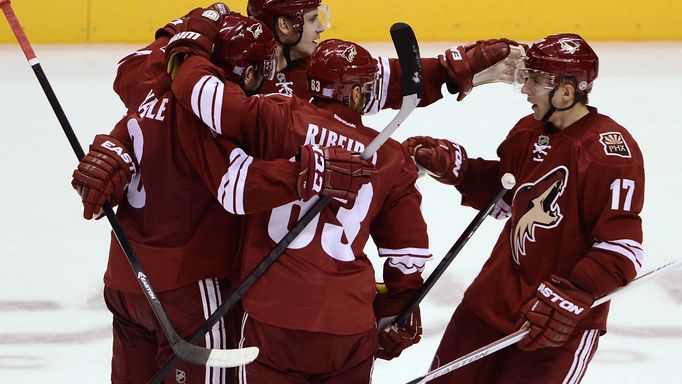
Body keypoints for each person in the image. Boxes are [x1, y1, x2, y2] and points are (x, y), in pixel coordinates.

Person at [71, 8, 375, 384]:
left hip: (125, 282)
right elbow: (237, 187)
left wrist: (111, 155)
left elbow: (130, 70)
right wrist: (307, 172)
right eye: (261, 73)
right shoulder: (205, 116)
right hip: (188, 286)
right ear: (246, 72)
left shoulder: (150, 86)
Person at [169, 31, 433, 381]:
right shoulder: (390, 157)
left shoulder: (279, 116)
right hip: (347, 325)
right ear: (354, 93)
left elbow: (209, 106)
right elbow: (408, 255)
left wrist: (187, 55)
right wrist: (397, 309)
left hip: (273, 316)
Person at [403, 33, 644, 383]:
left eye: (535, 80)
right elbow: (507, 197)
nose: (525, 89)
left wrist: (574, 292)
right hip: (488, 304)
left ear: (565, 91)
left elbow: (622, 249)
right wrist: (458, 169)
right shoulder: (528, 131)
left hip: (553, 326)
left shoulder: (608, 153)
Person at [246, 0, 523, 111]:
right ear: (285, 25)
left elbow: (390, 80)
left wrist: (452, 69)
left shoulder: (319, 66)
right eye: (311, 19)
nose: (320, 27)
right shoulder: (231, 76)